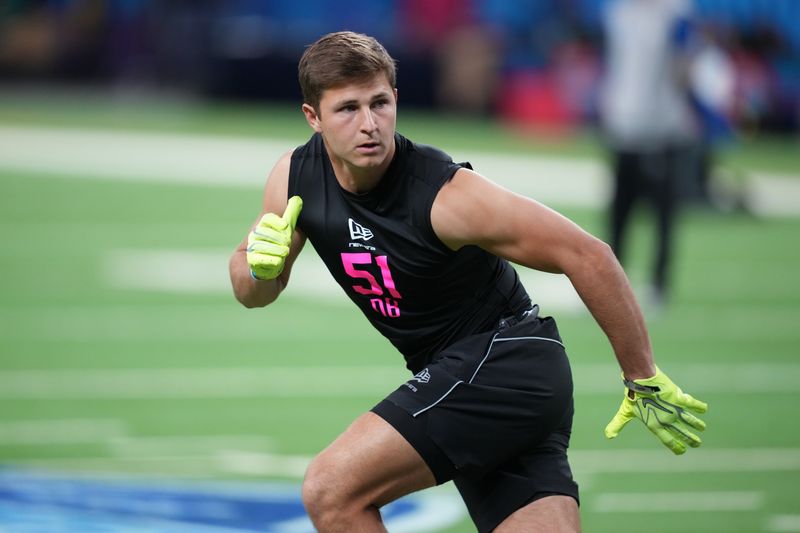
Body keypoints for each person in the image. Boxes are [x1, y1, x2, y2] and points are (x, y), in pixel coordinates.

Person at [229, 31, 708, 533]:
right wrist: (260, 268)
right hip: (478, 383)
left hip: (504, 363)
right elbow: (252, 292)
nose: (369, 124)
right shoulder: (294, 178)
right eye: (348, 109)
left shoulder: (444, 194)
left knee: (331, 490)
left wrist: (641, 374)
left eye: (380, 103)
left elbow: (588, 254)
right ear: (313, 117)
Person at [598, 0, 701, 309]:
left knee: (663, 212)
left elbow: (685, 63)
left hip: (661, 128)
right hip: (623, 123)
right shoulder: (619, 13)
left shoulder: (676, 13)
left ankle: (658, 285)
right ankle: (610, 284)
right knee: (619, 210)